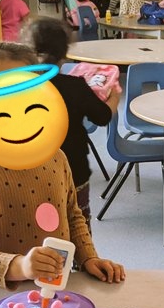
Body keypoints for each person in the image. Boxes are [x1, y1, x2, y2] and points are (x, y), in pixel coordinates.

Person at [0, 42, 125, 289]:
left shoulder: (56, 157)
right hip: (3, 299)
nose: (12, 103)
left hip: (56, 292)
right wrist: (21, 266)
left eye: (23, 89)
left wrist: (89, 258)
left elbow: (72, 215)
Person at [23, 17, 118, 227]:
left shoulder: (20, 87)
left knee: (39, 226)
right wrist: (114, 98)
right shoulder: (75, 86)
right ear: (64, 54)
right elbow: (102, 117)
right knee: (78, 223)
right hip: (73, 169)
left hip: (33, 171)